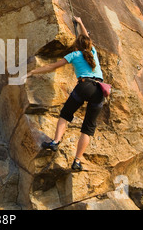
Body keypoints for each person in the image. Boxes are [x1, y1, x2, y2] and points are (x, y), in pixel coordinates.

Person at [26, 16, 105, 171]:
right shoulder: (93, 52)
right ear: (89, 45)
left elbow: (52, 67)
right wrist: (81, 22)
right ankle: (77, 161)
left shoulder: (74, 55)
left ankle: (55, 142)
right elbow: (87, 38)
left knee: (65, 114)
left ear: (76, 46)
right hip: (100, 90)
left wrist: (33, 71)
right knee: (88, 128)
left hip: (85, 86)